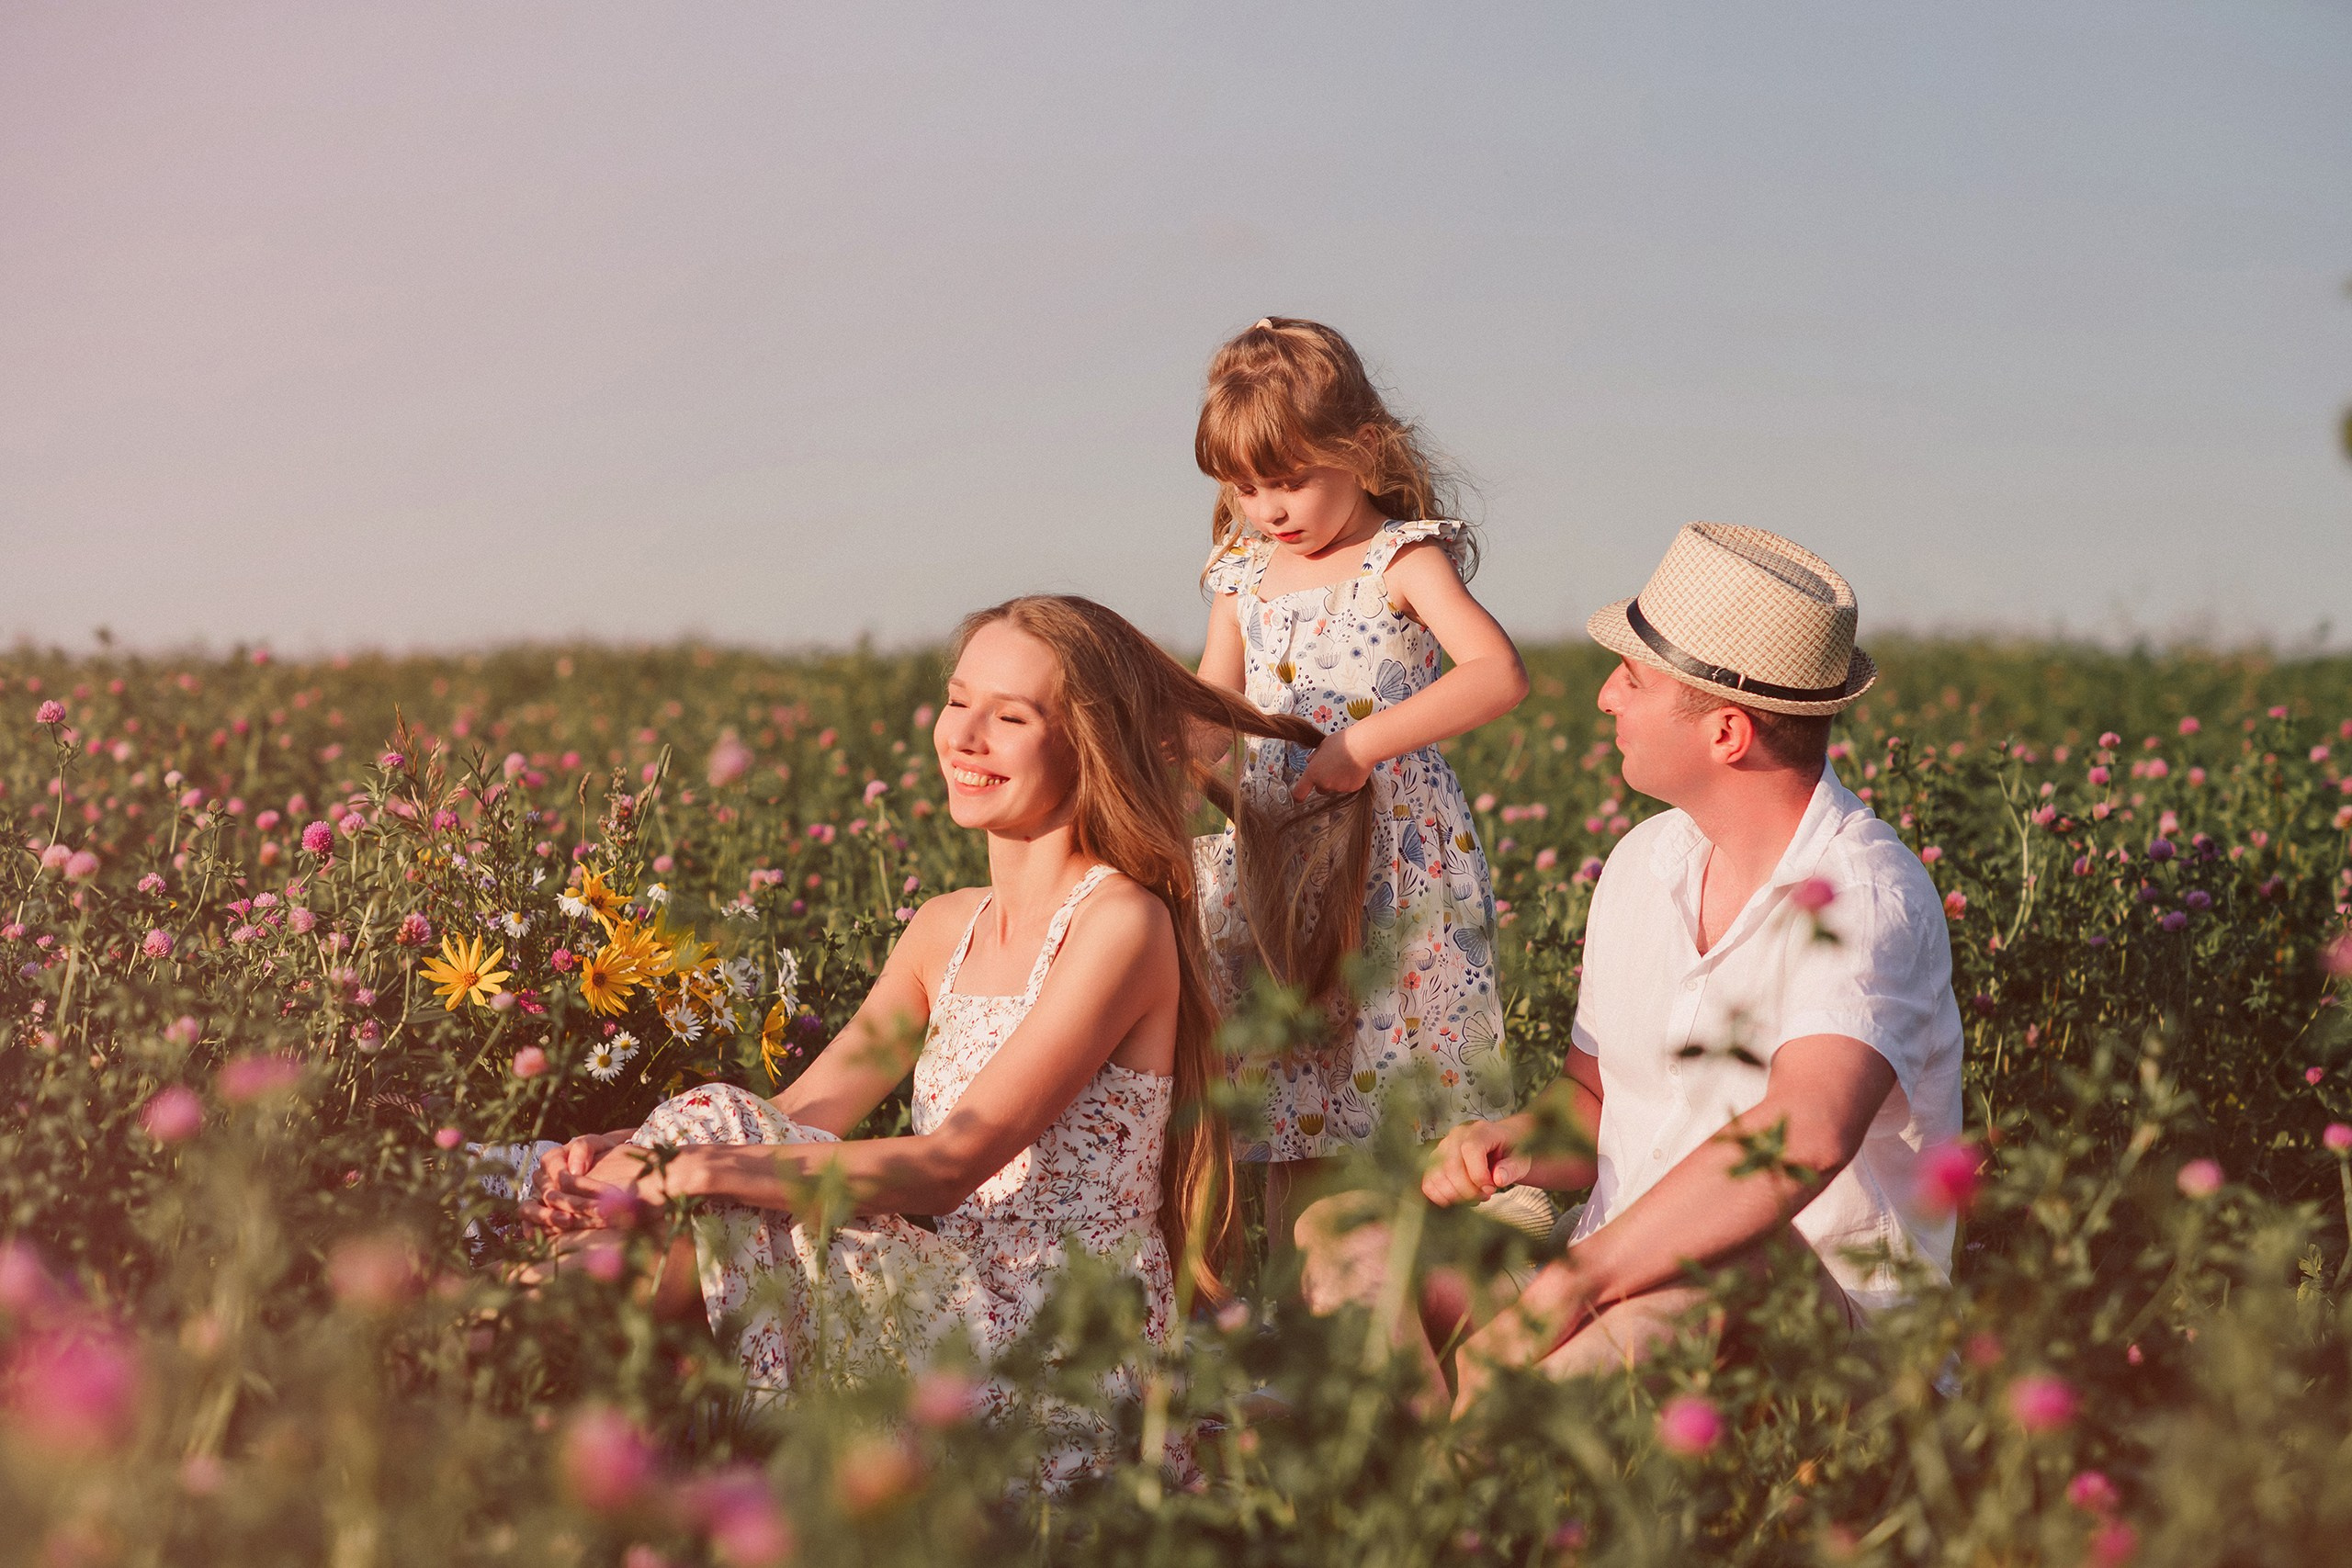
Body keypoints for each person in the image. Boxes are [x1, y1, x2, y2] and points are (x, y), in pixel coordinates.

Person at [522, 596, 1367, 1462]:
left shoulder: (1120, 925)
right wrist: (639, 1145)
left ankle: (491, 1355)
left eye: (1009, 716)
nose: (964, 736)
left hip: (1055, 1337)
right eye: (959, 699)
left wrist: (686, 1168)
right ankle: (498, 1344)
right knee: (712, 1140)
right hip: (948, 1293)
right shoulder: (943, 928)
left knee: (711, 1169)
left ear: (1090, 745)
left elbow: (948, 1166)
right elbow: (802, 1111)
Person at [1299, 523, 1964, 1415]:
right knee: (1347, 1237)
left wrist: (1571, 1282)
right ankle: (1421, 1467)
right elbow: (1596, 1101)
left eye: (1634, 678)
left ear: (1727, 732)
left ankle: (1468, 1476)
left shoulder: (1861, 895)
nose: (1606, 697)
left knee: (1714, 1275)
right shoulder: (1641, 863)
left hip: (1824, 1334)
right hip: (1615, 1282)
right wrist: (1519, 1144)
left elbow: (1801, 1137)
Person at [1188, 315, 1530, 1248]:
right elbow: (1217, 704)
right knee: (1285, 1062)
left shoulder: (1402, 557)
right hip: (1276, 853)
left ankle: (1421, 1266)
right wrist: (1171, 776)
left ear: (1363, 449)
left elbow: (1494, 674)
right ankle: (1296, 1294)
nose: (1270, 508)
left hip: (1389, 855)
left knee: (1391, 1058)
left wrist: (1360, 748)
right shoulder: (1240, 574)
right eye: (1246, 487)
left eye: (1290, 479)